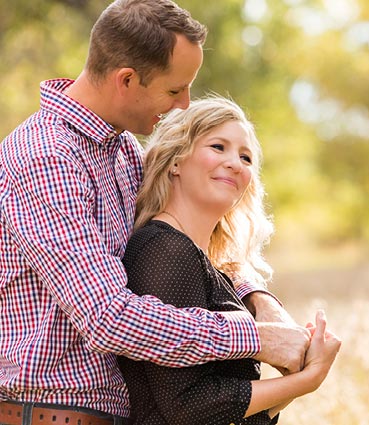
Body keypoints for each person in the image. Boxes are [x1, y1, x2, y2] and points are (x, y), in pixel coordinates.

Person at [0, 1, 310, 424]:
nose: (184, 104)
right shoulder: (47, 157)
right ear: (126, 79)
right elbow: (108, 317)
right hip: (55, 412)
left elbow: (186, 235)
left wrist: (258, 298)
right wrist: (255, 339)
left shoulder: (123, 151)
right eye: (173, 89)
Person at [119, 96, 342, 424]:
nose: (235, 163)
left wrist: (302, 375)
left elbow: (232, 412)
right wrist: (304, 381)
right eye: (218, 146)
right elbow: (186, 407)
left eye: (246, 157)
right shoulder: (165, 250)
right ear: (176, 161)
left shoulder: (203, 263)